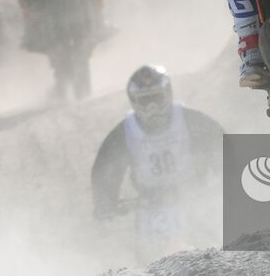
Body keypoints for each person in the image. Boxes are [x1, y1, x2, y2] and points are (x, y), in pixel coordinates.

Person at [90, 65, 223, 258]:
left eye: (156, 99)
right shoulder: (124, 133)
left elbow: (220, 144)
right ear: (134, 102)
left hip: (193, 197)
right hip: (150, 207)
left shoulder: (190, 120)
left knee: (213, 249)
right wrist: (105, 203)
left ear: (168, 95)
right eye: (145, 101)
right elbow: (106, 167)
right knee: (149, 262)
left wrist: (227, 177)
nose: (151, 108)